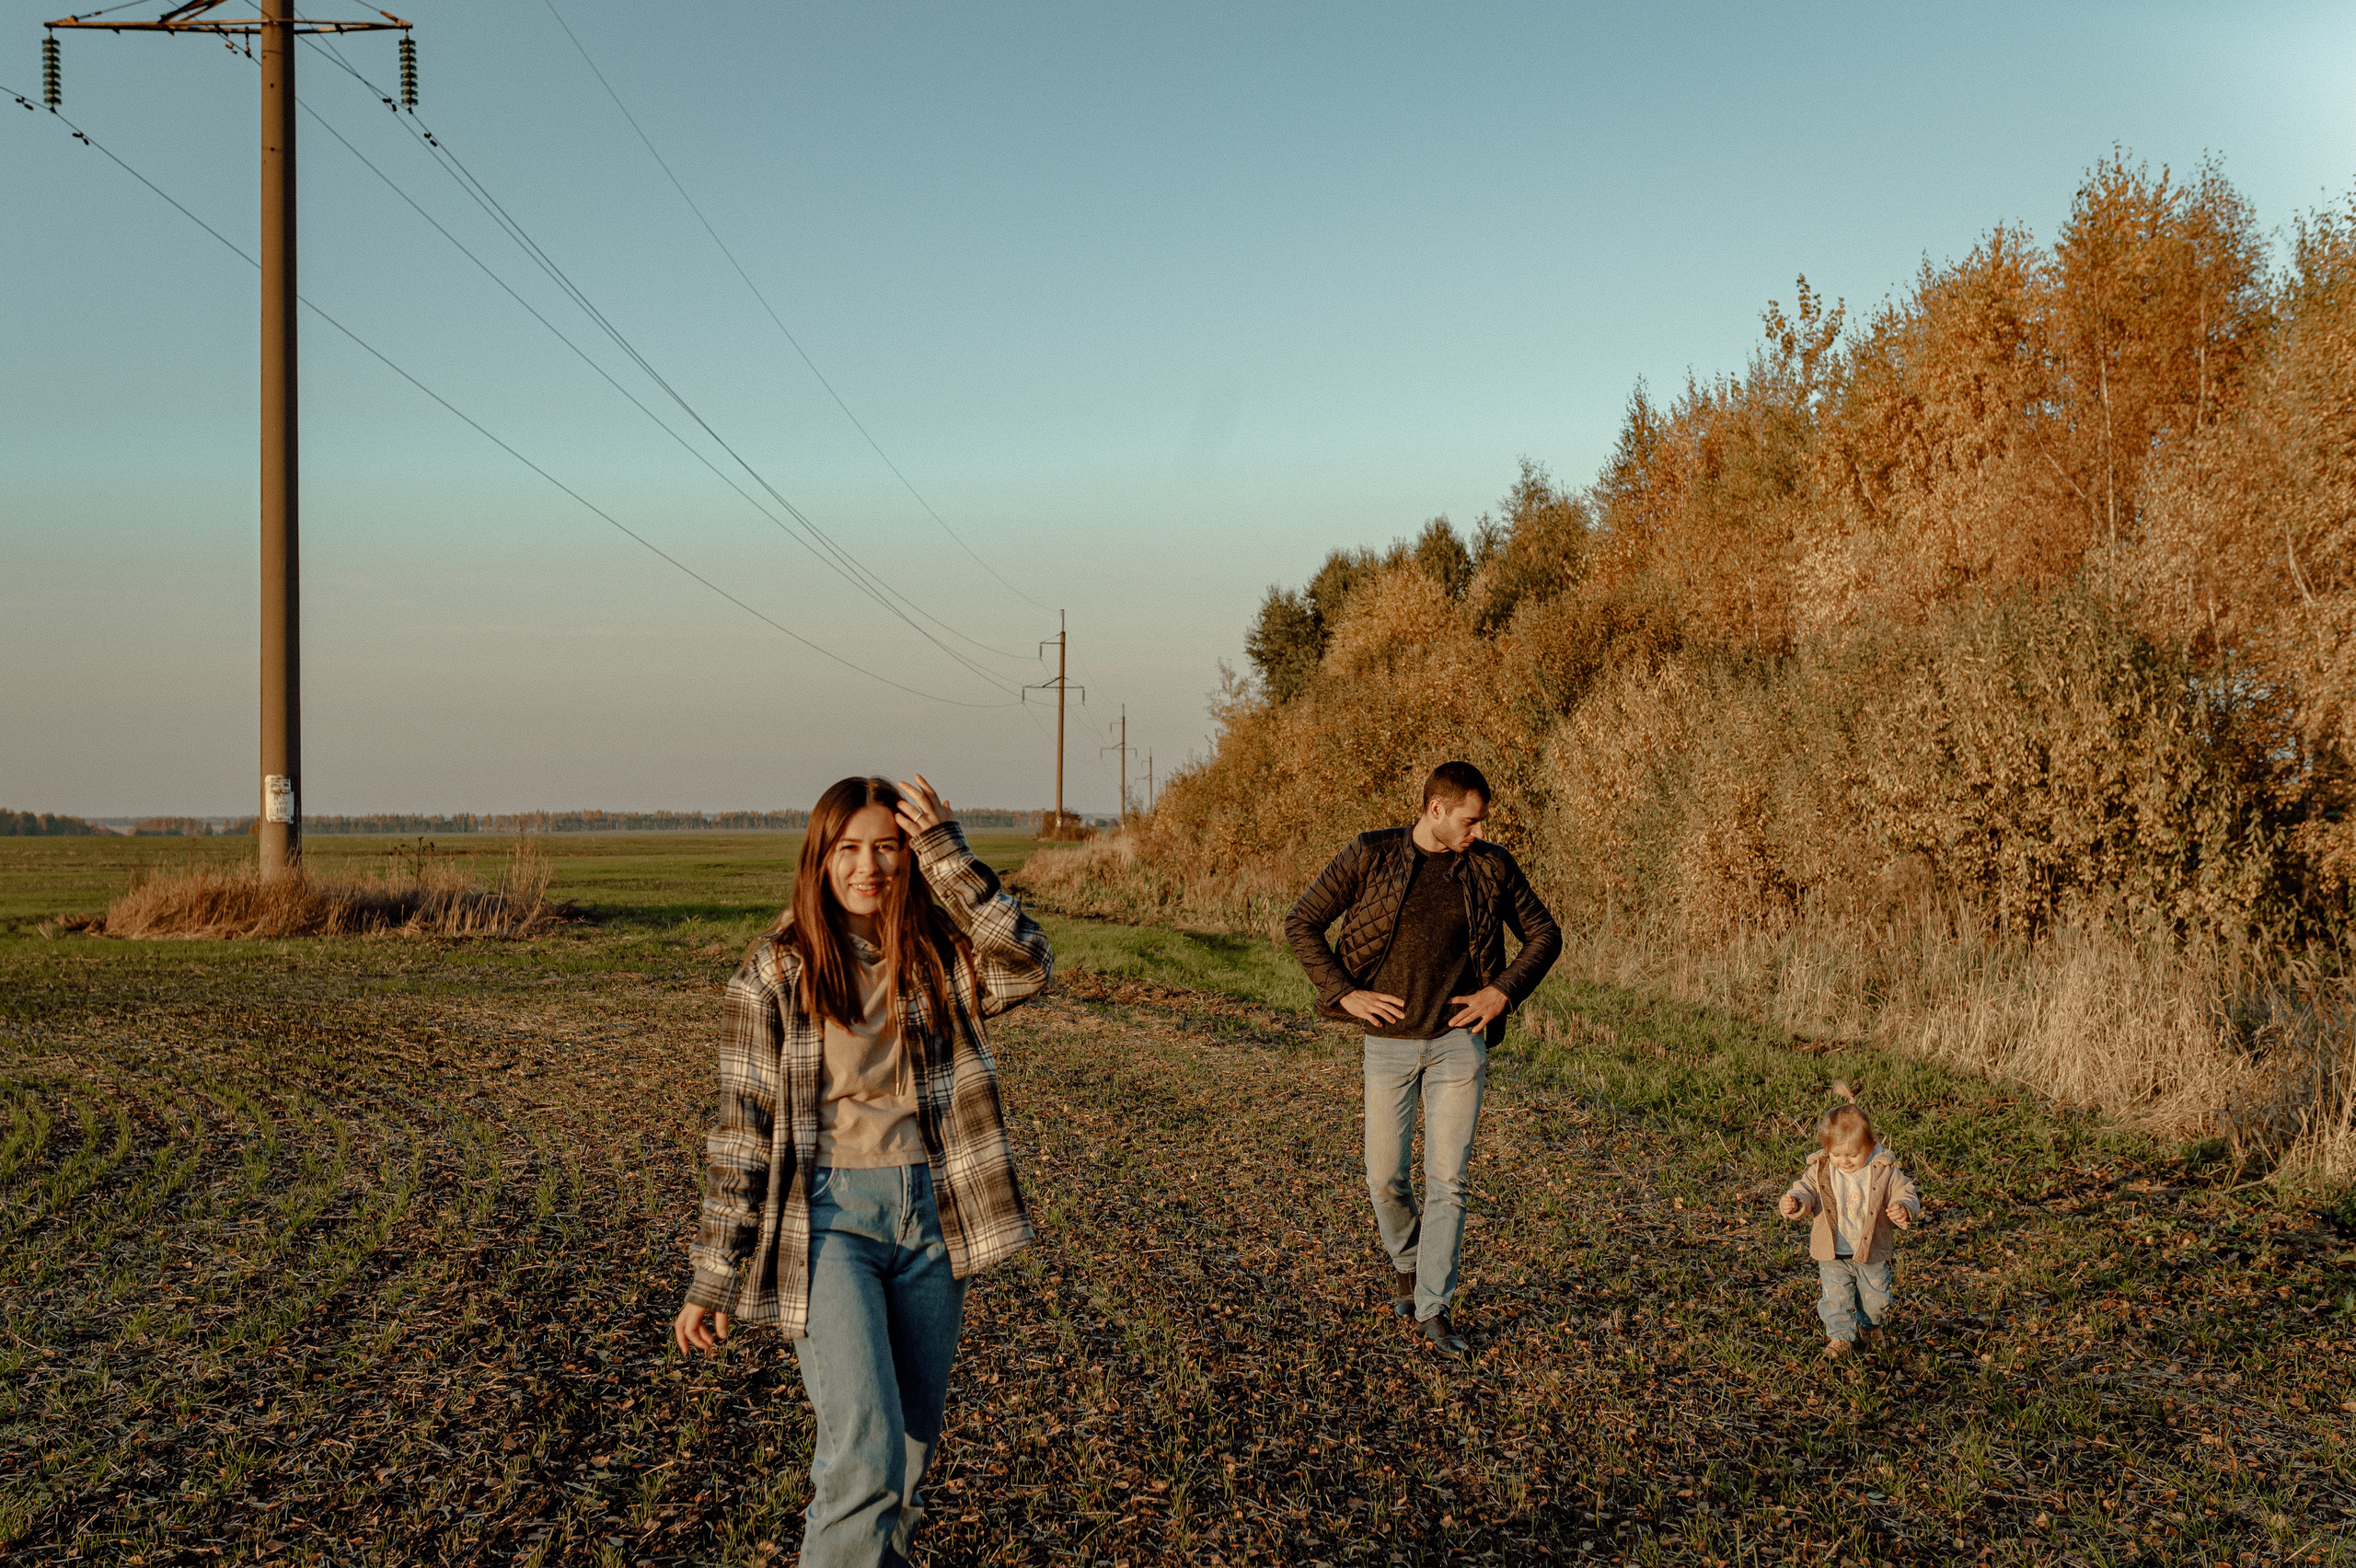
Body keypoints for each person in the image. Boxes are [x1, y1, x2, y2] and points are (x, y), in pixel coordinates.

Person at [672, 775, 1052, 1567]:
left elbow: (1027, 963)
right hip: (827, 1221)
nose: (868, 866)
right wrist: (714, 1275)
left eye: (888, 848)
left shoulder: (938, 956)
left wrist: (948, 851)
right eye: (848, 848)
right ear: (820, 857)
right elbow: (741, 1133)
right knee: (865, 1459)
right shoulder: (773, 973)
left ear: (910, 859)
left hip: (932, 1216)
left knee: (906, 1466)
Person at [1283, 761, 1561, 1355]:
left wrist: (1502, 991)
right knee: (1384, 1177)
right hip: (1388, 1045)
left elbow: (1545, 934)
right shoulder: (1370, 854)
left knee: (1448, 1181)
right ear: (1437, 810)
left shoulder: (1491, 865)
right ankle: (1407, 1263)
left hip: (1458, 1045)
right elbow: (1303, 921)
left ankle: (1434, 1307)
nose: (1478, 832)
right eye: (1469, 821)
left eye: (1481, 822)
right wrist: (1345, 992)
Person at [1776, 1083, 1923, 1359]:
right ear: (1827, 1149)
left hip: (1870, 1251)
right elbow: (1806, 1189)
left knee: (1876, 1298)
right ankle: (1840, 1337)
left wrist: (1903, 1208)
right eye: (1836, 1154)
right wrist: (1796, 1201)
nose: (1844, 1161)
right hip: (1833, 1251)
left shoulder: (1883, 1170)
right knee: (1836, 1297)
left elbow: (1906, 1192)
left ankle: (1871, 1327)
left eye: (1852, 1155)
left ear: (1870, 1146)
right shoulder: (1821, 1169)